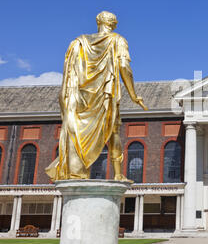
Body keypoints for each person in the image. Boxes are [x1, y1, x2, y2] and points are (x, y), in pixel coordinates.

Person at [45, 11, 148, 182]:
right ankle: (117, 174)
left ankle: (76, 172)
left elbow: (70, 74)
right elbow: (124, 67)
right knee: (114, 132)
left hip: (80, 97)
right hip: (105, 95)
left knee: (77, 132)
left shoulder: (78, 43)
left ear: (98, 22)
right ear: (114, 23)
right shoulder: (117, 40)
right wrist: (133, 94)